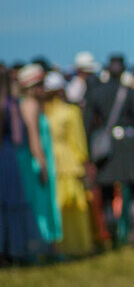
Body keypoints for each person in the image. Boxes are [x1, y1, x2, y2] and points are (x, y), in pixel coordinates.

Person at [84, 54, 134, 248]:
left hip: (107, 148)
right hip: (129, 145)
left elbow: (87, 124)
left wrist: (89, 151)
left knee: (107, 193)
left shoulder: (97, 93)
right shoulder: (132, 93)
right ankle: (132, 232)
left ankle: (113, 234)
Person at [43, 71, 93, 257]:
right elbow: (78, 140)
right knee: (76, 207)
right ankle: (78, 245)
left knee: (57, 206)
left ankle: (59, 245)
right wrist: (84, 160)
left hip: (50, 161)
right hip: (68, 161)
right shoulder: (70, 112)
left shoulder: (45, 113)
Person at [16, 64, 59, 255]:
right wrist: (42, 164)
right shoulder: (30, 105)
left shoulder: (31, 104)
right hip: (35, 161)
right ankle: (42, 245)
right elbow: (34, 137)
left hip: (37, 159)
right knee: (39, 203)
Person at [1, 64, 39, 264]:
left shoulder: (10, 104)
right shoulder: (9, 104)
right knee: (10, 203)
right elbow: (16, 137)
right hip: (7, 157)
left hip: (7, 156)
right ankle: (11, 249)